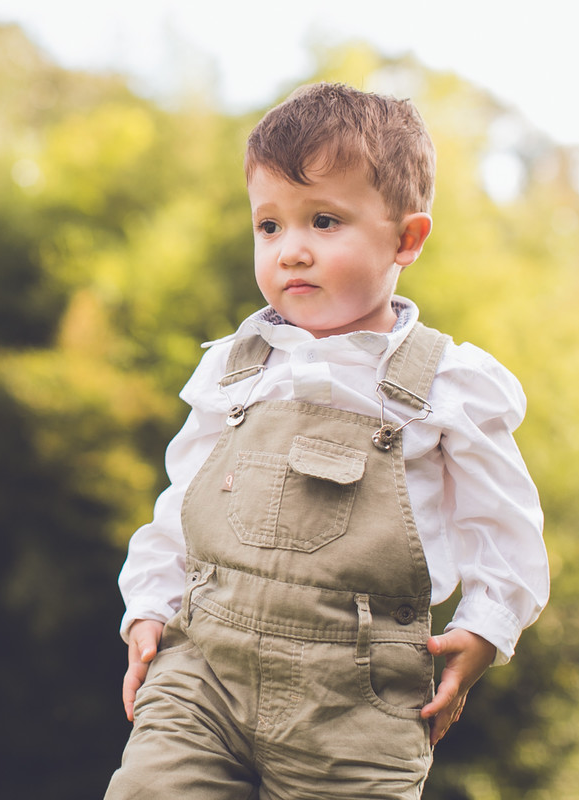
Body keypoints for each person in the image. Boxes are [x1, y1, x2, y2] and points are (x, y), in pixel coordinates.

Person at [105, 82, 549, 800]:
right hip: (203, 675)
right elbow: (181, 501)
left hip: (356, 704)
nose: (292, 252)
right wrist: (149, 605)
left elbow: (503, 526)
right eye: (270, 226)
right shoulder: (234, 366)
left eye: (323, 221)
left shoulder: (448, 385)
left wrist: (487, 626)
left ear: (406, 238)